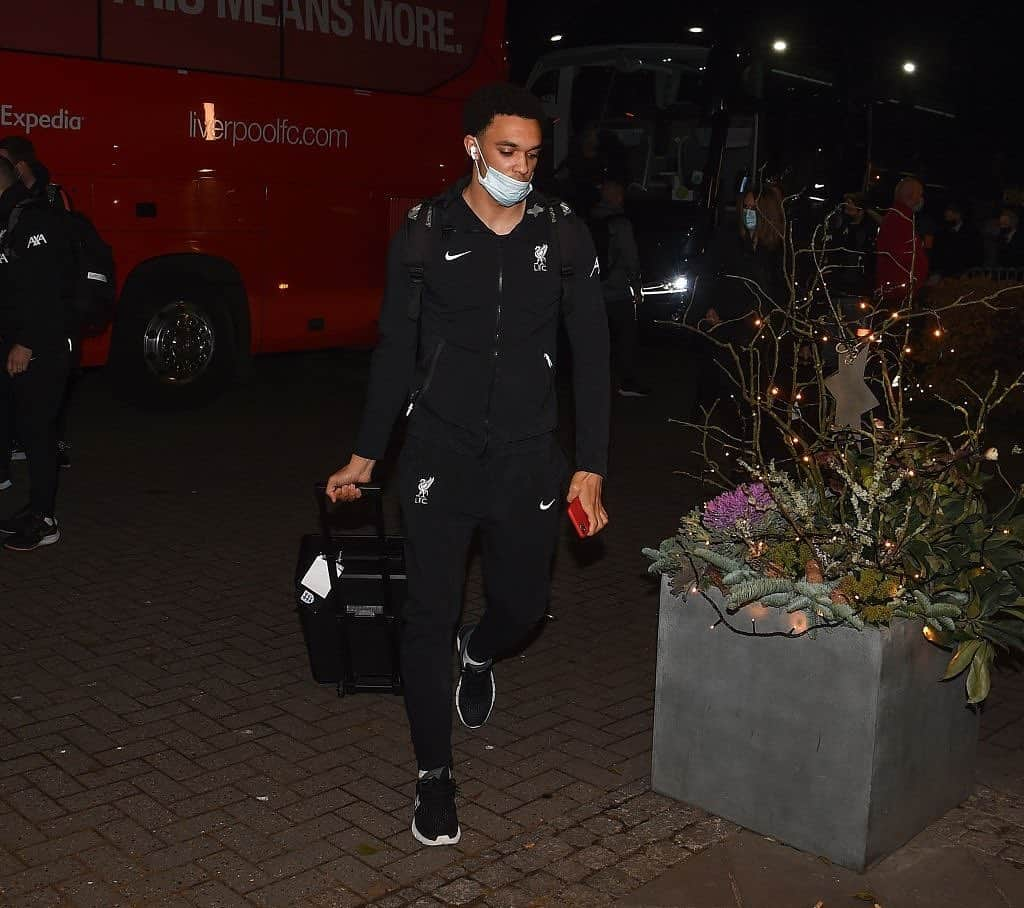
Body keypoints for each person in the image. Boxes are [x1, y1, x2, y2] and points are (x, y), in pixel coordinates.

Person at [325, 83, 610, 847]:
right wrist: (365, 452)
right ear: (473, 148)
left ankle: (480, 652)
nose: (521, 167)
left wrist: (591, 464)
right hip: (437, 457)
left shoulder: (565, 233)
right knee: (427, 615)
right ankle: (434, 777)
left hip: (527, 459)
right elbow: (393, 350)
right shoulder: (425, 231)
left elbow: (594, 353)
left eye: (533, 154)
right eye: (507, 150)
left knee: (524, 608)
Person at [0, 154, 72, 550]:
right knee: (27, 430)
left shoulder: (32, 219)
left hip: (41, 347)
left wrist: (26, 342)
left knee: (38, 432)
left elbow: (44, 290)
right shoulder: (7, 217)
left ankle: (45, 520)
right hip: (18, 344)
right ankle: (33, 509)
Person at [590, 180, 647, 397]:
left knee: (598, 340)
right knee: (626, 338)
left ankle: (596, 382)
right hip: (617, 290)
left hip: (594, 290)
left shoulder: (590, 219)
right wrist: (637, 287)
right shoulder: (621, 224)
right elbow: (631, 258)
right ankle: (627, 382)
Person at [875, 177, 928, 302]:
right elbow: (901, 258)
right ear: (911, 196)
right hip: (899, 292)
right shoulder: (899, 220)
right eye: (919, 195)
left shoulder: (900, 217)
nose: (921, 199)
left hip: (898, 289)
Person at [827, 192, 879, 295]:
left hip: (859, 280)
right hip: (840, 278)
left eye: (850, 203)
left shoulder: (868, 229)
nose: (846, 205)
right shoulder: (842, 225)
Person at [930, 201, 982, 278]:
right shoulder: (941, 233)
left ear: (958, 215)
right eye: (946, 217)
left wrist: (968, 271)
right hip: (944, 275)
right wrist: (937, 272)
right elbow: (936, 254)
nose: (947, 219)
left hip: (965, 274)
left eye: (950, 216)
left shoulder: (972, 233)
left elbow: (975, 254)